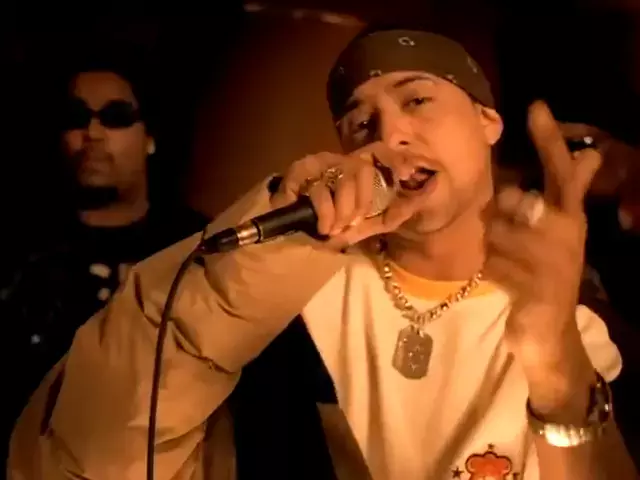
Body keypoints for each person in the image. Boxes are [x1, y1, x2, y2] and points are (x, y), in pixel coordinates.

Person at [9, 28, 638, 480]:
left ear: (487, 122)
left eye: (417, 100)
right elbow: (79, 456)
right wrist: (258, 267)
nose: (390, 134)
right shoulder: (289, 302)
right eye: (360, 123)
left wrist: (559, 374)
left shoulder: (567, 321)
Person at [2, 58, 208, 471]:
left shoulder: (197, 247)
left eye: (115, 117)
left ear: (150, 136)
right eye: (76, 118)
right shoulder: (22, 258)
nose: (92, 134)